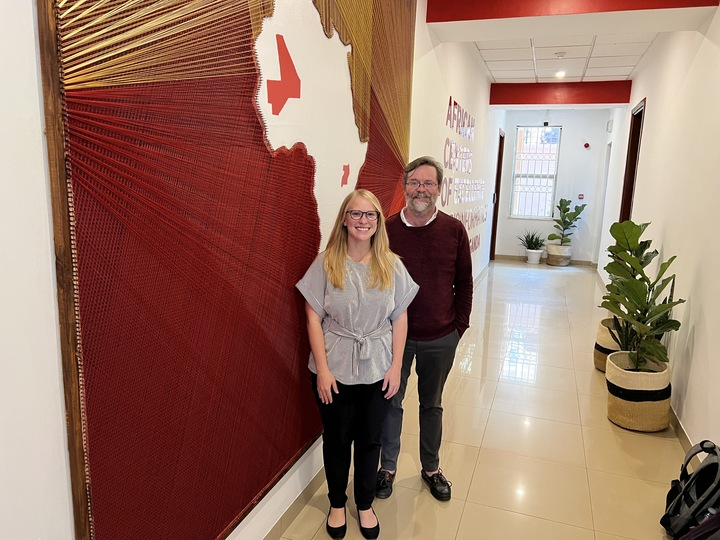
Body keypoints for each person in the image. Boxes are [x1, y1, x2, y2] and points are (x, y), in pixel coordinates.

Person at [296, 189, 418, 539]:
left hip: (378, 368)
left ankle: (364, 503)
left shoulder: (391, 264)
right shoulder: (326, 263)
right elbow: (312, 318)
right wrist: (322, 369)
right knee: (336, 439)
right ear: (345, 219)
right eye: (356, 214)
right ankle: (337, 503)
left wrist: (395, 366)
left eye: (370, 215)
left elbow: (401, 318)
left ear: (378, 222)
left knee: (369, 440)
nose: (363, 221)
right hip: (334, 367)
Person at [376, 156, 473, 502]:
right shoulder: (386, 230)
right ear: (404, 187)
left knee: (431, 405)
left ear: (439, 189)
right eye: (415, 182)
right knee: (390, 403)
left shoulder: (454, 230)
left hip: (439, 337)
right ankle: (386, 468)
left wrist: (457, 329)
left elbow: (464, 283)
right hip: (393, 340)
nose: (421, 189)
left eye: (428, 183)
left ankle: (430, 468)